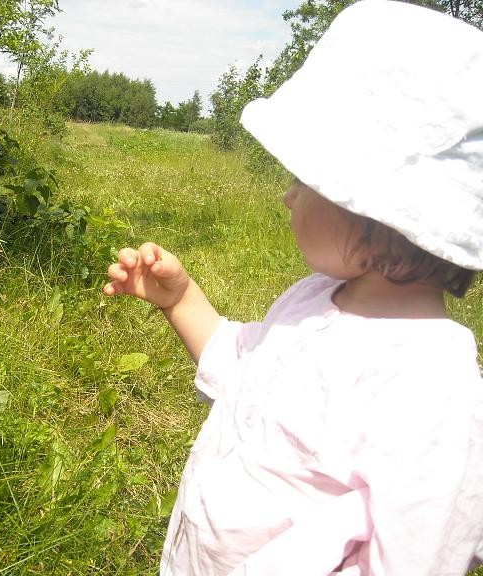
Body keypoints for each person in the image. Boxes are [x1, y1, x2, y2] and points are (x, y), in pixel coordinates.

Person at [103, 1, 483, 574]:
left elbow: (419, 552)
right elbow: (244, 372)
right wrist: (181, 299)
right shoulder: (314, 299)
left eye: (304, 179)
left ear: (375, 211)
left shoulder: (429, 380)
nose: (287, 195)